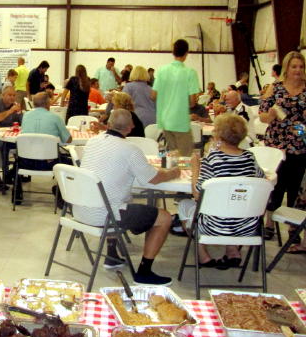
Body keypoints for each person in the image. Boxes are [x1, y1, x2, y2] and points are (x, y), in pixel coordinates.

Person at [74, 109, 181, 285]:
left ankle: (112, 255)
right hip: (106, 215)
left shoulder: (92, 141)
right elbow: (152, 179)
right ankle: (144, 272)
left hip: (80, 209)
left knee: (116, 197)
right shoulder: (130, 149)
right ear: (131, 127)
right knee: (164, 217)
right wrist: (173, 173)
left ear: (108, 124)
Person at [177, 113, 265, 269]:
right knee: (233, 202)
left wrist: (196, 167)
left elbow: (197, 194)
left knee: (184, 205)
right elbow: (262, 181)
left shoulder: (212, 159)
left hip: (214, 225)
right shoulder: (250, 157)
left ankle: (203, 255)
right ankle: (232, 250)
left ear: (217, 135)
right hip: (247, 225)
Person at [259, 51, 306, 238]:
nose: (297, 70)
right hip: (276, 145)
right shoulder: (275, 88)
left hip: (300, 144)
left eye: (301, 66)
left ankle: (293, 227)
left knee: (296, 186)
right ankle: (269, 223)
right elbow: (262, 116)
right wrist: (270, 115)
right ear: (287, 68)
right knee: (275, 184)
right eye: (294, 66)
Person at [153, 39, 201, 156]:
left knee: (173, 157)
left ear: (173, 52)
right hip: (180, 121)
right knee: (186, 158)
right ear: (186, 53)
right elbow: (192, 102)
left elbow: (153, 95)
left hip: (165, 120)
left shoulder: (162, 71)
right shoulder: (190, 73)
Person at [0, 85, 23, 191]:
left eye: (14, 95)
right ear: (3, 95)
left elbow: (22, 122)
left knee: (21, 147)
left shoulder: (15, 106)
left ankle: (11, 174)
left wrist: (20, 113)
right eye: (9, 95)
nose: (12, 97)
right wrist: (10, 111)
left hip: (8, 136)